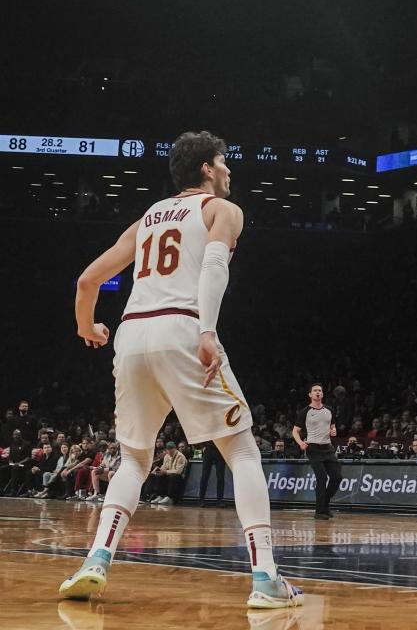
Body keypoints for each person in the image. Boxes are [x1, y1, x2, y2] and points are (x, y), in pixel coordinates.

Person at [59, 131, 302, 608]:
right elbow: (215, 265)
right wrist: (207, 331)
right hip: (183, 328)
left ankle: (95, 560)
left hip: (131, 336)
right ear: (207, 170)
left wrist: (88, 328)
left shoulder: (146, 217)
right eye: (224, 161)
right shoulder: (221, 210)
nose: (230, 169)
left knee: (134, 458)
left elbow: (89, 280)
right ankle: (266, 577)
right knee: (243, 451)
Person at [293, 383, 341, 520]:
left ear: (323, 394)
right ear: (310, 394)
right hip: (313, 449)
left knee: (337, 477)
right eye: (315, 391)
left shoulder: (329, 410)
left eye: (320, 390)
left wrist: (334, 431)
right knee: (322, 478)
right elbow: (295, 431)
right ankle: (319, 511)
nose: (318, 392)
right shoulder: (305, 412)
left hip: (328, 448)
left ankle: (324, 504)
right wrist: (301, 443)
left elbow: (333, 427)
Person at [197, 440, 227, 508]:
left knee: (220, 477)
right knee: (205, 476)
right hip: (208, 450)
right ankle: (201, 499)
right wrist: (202, 447)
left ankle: (220, 500)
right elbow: (201, 434)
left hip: (220, 450)